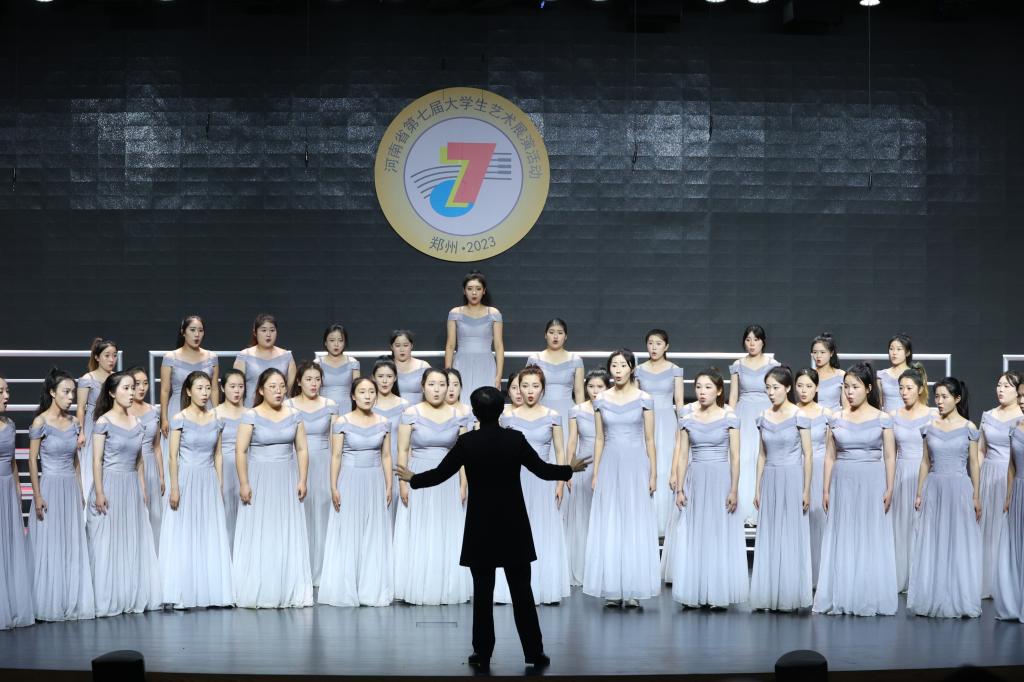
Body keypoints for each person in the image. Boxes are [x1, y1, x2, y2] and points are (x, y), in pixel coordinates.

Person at [396, 386, 586, 671]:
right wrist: (569, 469)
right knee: (522, 592)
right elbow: (543, 470)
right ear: (501, 411)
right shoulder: (515, 439)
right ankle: (534, 652)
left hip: (480, 526)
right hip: (513, 525)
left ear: (474, 412)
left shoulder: (467, 443)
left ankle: (482, 653)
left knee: (483, 594)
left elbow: (440, 474)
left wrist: (413, 478)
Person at [813, 363, 898, 617]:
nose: (850, 392)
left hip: (872, 480)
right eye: (847, 387)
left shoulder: (883, 418)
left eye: (855, 387)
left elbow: (890, 456)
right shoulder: (836, 418)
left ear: (868, 388)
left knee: (869, 534)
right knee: (844, 533)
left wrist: (890, 487)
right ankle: (842, 592)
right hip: (843, 480)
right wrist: (825, 489)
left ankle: (867, 593)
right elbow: (830, 455)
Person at [583, 350, 660, 608]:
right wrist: (596, 473)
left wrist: (653, 472)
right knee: (611, 521)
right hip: (610, 464)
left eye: (622, 365)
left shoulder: (644, 399)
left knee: (634, 520)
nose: (617, 370)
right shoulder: (601, 399)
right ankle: (613, 588)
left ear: (632, 368)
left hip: (636, 463)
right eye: (614, 365)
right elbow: (599, 439)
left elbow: (650, 439)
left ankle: (634, 588)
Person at [670, 368, 748, 609]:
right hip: (696, 478)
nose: (702, 392)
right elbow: (683, 455)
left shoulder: (730, 417)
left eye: (708, 387)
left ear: (719, 390)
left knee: (718, 532)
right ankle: (694, 590)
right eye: (698, 387)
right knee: (696, 533)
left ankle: (717, 591)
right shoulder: (687, 418)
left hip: (720, 478)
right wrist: (679, 488)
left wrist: (734, 489)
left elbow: (735, 456)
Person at [86, 371, 162, 616]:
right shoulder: (103, 422)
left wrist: (142, 489)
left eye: (133, 388)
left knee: (131, 539)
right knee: (108, 540)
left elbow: (139, 461)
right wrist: (99, 492)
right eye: (126, 388)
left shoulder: (137, 423)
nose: (132, 392)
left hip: (130, 486)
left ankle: (129, 593)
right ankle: (108, 596)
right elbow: (96, 461)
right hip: (109, 483)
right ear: (112, 392)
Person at [907, 377, 981, 618]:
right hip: (935, 487)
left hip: (959, 488)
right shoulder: (929, 427)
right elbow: (925, 462)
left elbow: (974, 463)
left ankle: (957, 596)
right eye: (937, 396)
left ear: (957, 398)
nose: (939, 401)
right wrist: (919, 492)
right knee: (934, 540)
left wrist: (976, 495)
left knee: (957, 540)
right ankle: (933, 594)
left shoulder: (969, 427)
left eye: (944, 397)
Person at [160, 371, 233, 609]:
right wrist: (174, 487)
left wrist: (219, 483)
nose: (204, 393)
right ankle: (183, 590)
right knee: (185, 531)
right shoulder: (179, 418)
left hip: (208, 478)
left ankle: (211, 590)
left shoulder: (216, 418)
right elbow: (172, 456)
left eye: (207, 388)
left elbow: (218, 454)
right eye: (199, 388)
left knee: (208, 531)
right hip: (187, 478)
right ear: (189, 391)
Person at [319, 378, 393, 607]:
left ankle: (371, 589)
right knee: (349, 530)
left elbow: (386, 456)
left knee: (373, 531)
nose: (368, 396)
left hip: (374, 479)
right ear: (353, 396)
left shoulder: (384, 422)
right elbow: (336, 456)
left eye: (371, 392)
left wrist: (389, 484)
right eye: (362, 392)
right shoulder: (342, 421)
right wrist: (334, 486)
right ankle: (346, 588)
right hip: (350, 479)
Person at [27, 369, 95, 621]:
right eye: (65, 392)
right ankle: (48, 602)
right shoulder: (40, 422)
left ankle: (69, 599)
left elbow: (76, 460)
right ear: (52, 393)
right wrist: (37, 495)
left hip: (69, 487)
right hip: (50, 487)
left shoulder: (75, 423)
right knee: (50, 543)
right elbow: (32, 460)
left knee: (70, 542)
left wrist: (80, 489)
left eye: (72, 392)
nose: (70, 397)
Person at [749, 366, 813, 611]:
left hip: (792, 477)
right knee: (771, 534)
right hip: (771, 478)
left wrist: (806, 489)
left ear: (787, 388)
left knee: (790, 534)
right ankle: (769, 594)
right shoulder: (763, 416)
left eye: (775, 387)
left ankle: (789, 594)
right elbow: (761, 455)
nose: (771, 392)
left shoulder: (799, 415)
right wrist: (757, 488)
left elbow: (808, 455)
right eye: (767, 388)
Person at [890, 363, 936, 592]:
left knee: (921, 526)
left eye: (908, 388)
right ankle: (900, 576)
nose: (904, 392)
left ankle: (921, 578)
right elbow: (889, 453)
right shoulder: (892, 416)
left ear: (919, 389)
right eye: (901, 388)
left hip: (923, 473)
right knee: (900, 525)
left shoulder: (933, 415)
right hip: (901, 473)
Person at [979, 371, 1024, 598]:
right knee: (985, 526)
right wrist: (977, 481)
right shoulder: (988, 415)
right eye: (999, 385)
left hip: (1009, 474)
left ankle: (1004, 583)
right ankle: (984, 580)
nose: (1001, 389)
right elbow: (980, 450)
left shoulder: (1021, 418)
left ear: (1018, 391)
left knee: (1003, 526)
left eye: (1007, 386)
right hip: (988, 474)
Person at [729, 325, 780, 524]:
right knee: (742, 456)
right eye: (748, 339)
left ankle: (763, 509)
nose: (752, 344)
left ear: (763, 342)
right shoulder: (738, 365)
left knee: (763, 456)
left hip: (766, 412)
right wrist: (729, 418)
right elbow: (733, 395)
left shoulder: (772, 364)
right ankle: (741, 508)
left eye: (756, 339)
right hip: (743, 413)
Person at [636, 329, 685, 536]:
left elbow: (680, 402)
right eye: (650, 343)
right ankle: (646, 522)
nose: (654, 347)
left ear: (666, 346)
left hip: (666, 421)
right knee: (646, 465)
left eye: (658, 343)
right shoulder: (638, 370)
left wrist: (682, 427)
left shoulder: (675, 370)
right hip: (643, 421)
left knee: (667, 466)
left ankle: (666, 523)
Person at [565, 369, 609, 586]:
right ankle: (583, 568)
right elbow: (572, 441)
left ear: (607, 388)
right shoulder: (576, 410)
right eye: (591, 386)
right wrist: (567, 470)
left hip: (607, 464)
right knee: (582, 517)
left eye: (600, 386)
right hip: (583, 466)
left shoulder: (612, 408)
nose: (595, 391)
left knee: (603, 517)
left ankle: (603, 570)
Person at [0, 375, 35, 629]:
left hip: (7, 490)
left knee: (9, 544)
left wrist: (18, 489)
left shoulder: (10, 424)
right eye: (1, 391)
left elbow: (12, 461)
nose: (7, 396)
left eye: (7, 390)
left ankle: (11, 604)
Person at [444, 271, 504, 400]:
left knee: (486, 401)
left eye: (478, 288)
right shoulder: (455, 313)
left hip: (486, 364)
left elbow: (499, 346)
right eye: (470, 289)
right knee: (462, 399)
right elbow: (450, 345)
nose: (474, 293)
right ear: (464, 291)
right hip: (461, 363)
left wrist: (499, 375)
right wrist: (448, 374)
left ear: (484, 291)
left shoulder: (493, 313)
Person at [76, 338, 118, 501]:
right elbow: (81, 408)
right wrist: (81, 432)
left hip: (113, 425)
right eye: (107, 355)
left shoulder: (117, 379)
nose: (111, 359)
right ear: (97, 357)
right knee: (93, 461)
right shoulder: (88, 379)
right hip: (92, 426)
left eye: (114, 355)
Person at [234, 313, 296, 407]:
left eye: (272, 330)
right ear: (255, 332)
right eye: (263, 330)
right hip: (252, 408)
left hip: (281, 409)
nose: (268, 335)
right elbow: (236, 388)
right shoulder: (244, 356)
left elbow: (290, 391)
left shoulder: (287, 356)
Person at [316, 324, 360, 408]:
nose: (336, 344)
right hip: (323, 407)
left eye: (340, 340)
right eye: (332, 340)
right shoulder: (317, 364)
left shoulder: (353, 363)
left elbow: (357, 390)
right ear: (325, 342)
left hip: (347, 407)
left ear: (345, 343)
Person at [391, 330, 431, 405]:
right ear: (392, 347)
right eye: (398, 345)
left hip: (419, 410)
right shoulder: (386, 368)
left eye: (405, 345)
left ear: (411, 346)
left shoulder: (423, 366)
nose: (402, 349)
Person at [877, 334, 913, 414]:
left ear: (907, 353)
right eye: (891, 349)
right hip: (887, 419)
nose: (894, 353)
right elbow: (878, 405)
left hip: (909, 419)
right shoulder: (881, 375)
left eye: (899, 349)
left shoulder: (915, 375)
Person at [809, 333, 846, 412]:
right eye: (815, 352)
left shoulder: (841, 375)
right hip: (813, 417)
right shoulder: (809, 376)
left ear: (831, 353)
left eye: (822, 352)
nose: (818, 356)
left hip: (835, 417)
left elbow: (846, 406)